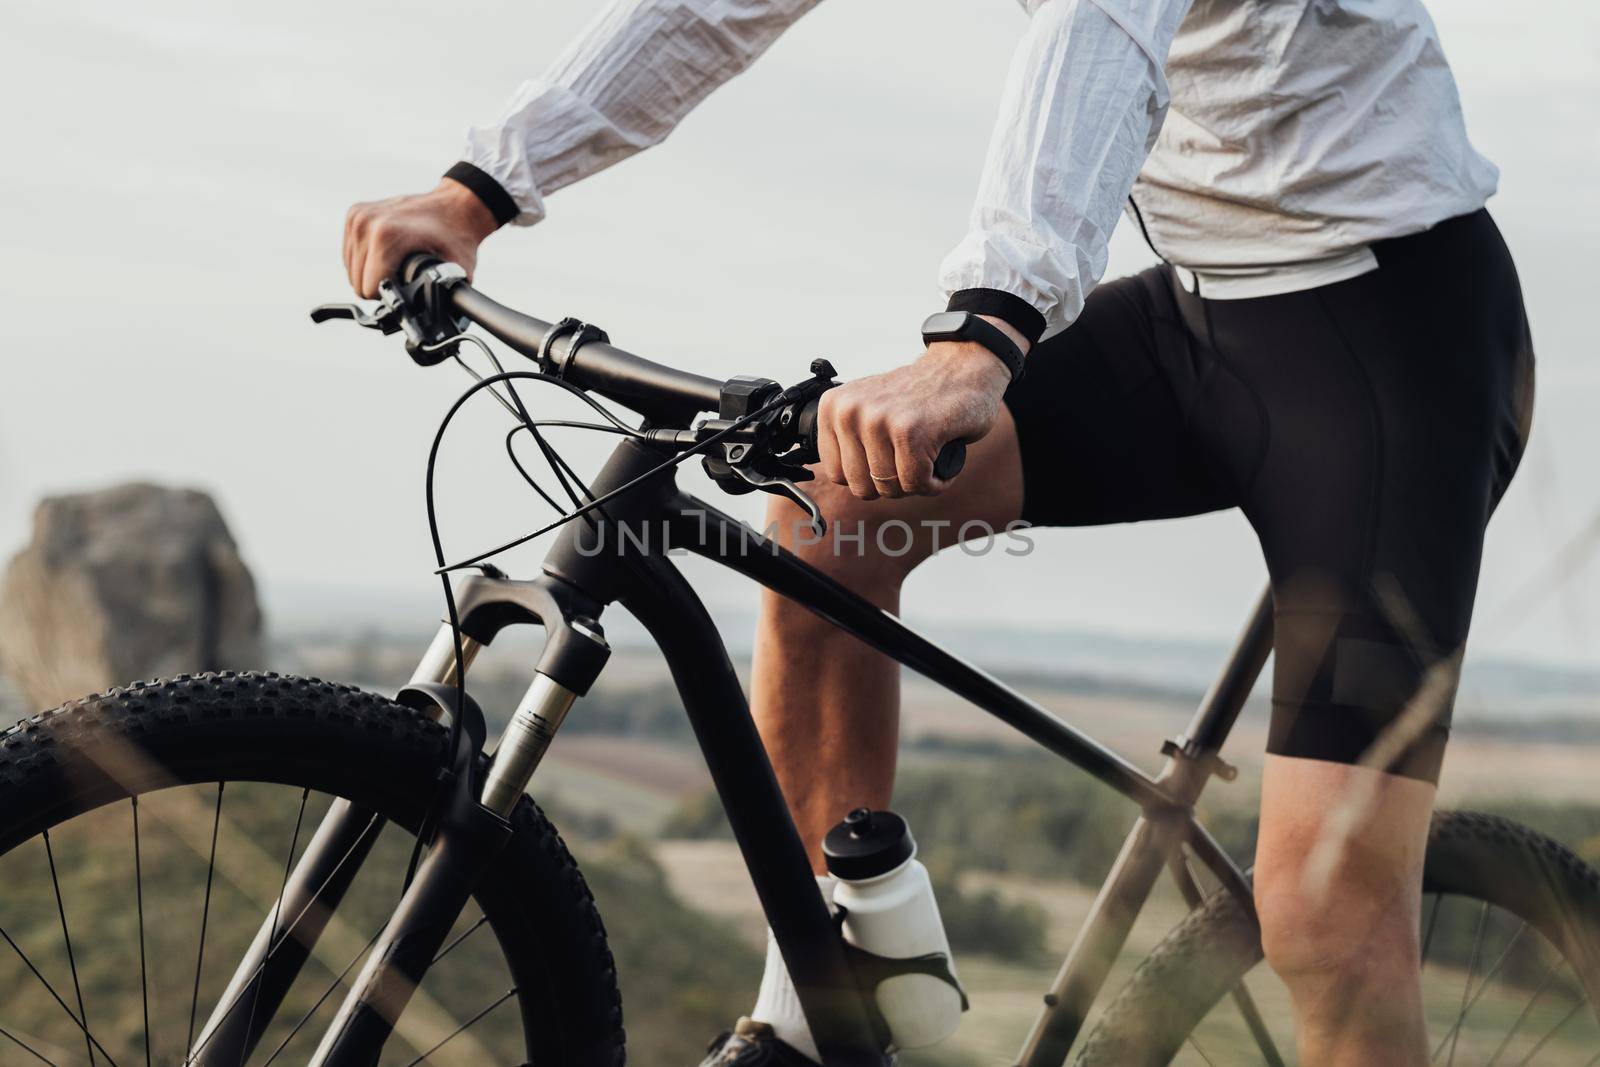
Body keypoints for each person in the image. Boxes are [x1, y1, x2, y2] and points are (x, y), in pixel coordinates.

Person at [343, 1, 1535, 1063]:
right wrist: (477, 192)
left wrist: (980, 334)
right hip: (1199, 312)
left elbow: (1102, 27)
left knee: (1326, 921)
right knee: (828, 523)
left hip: (1393, 343)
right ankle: (842, 982)